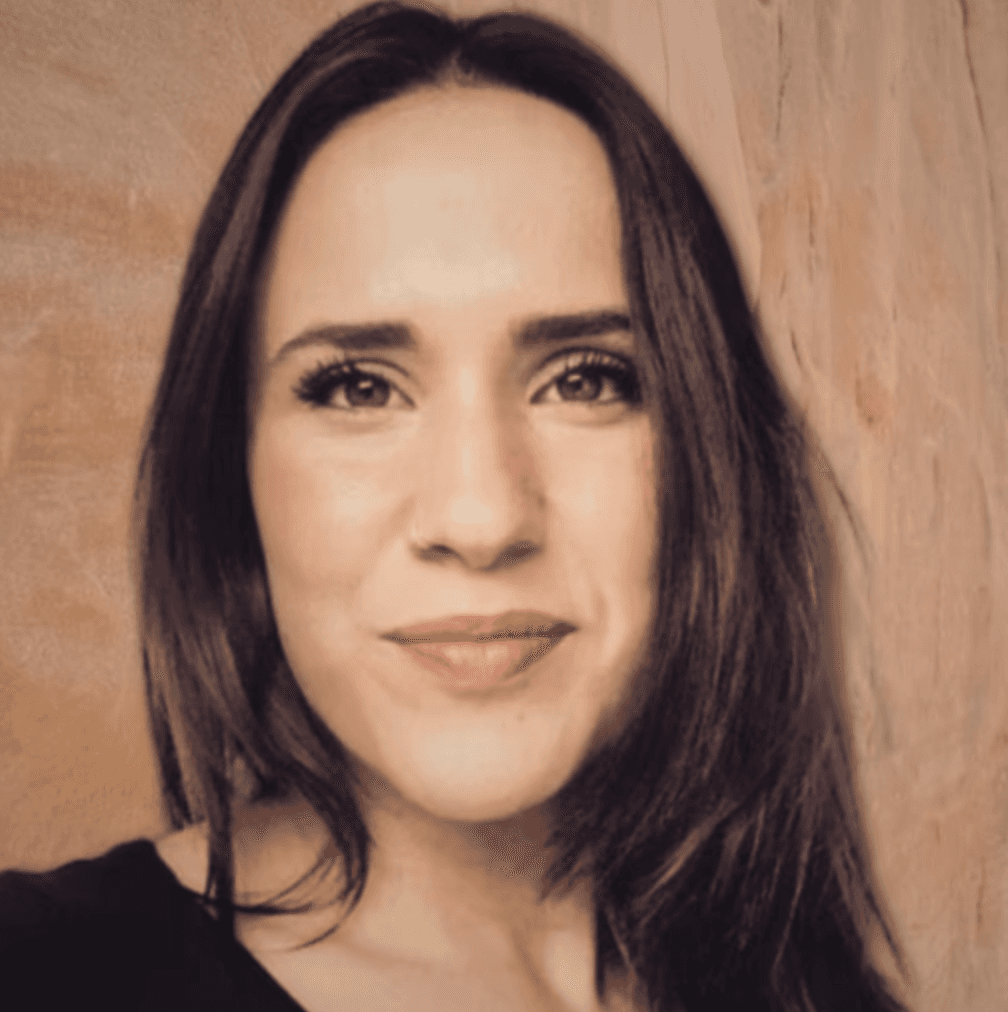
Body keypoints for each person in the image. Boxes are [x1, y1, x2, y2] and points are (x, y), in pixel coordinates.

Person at [0, 3, 912, 1010]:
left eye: (585, 379)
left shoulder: (816, 989)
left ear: (712, 455)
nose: (481, 520)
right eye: (358, 388)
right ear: (232, 475)